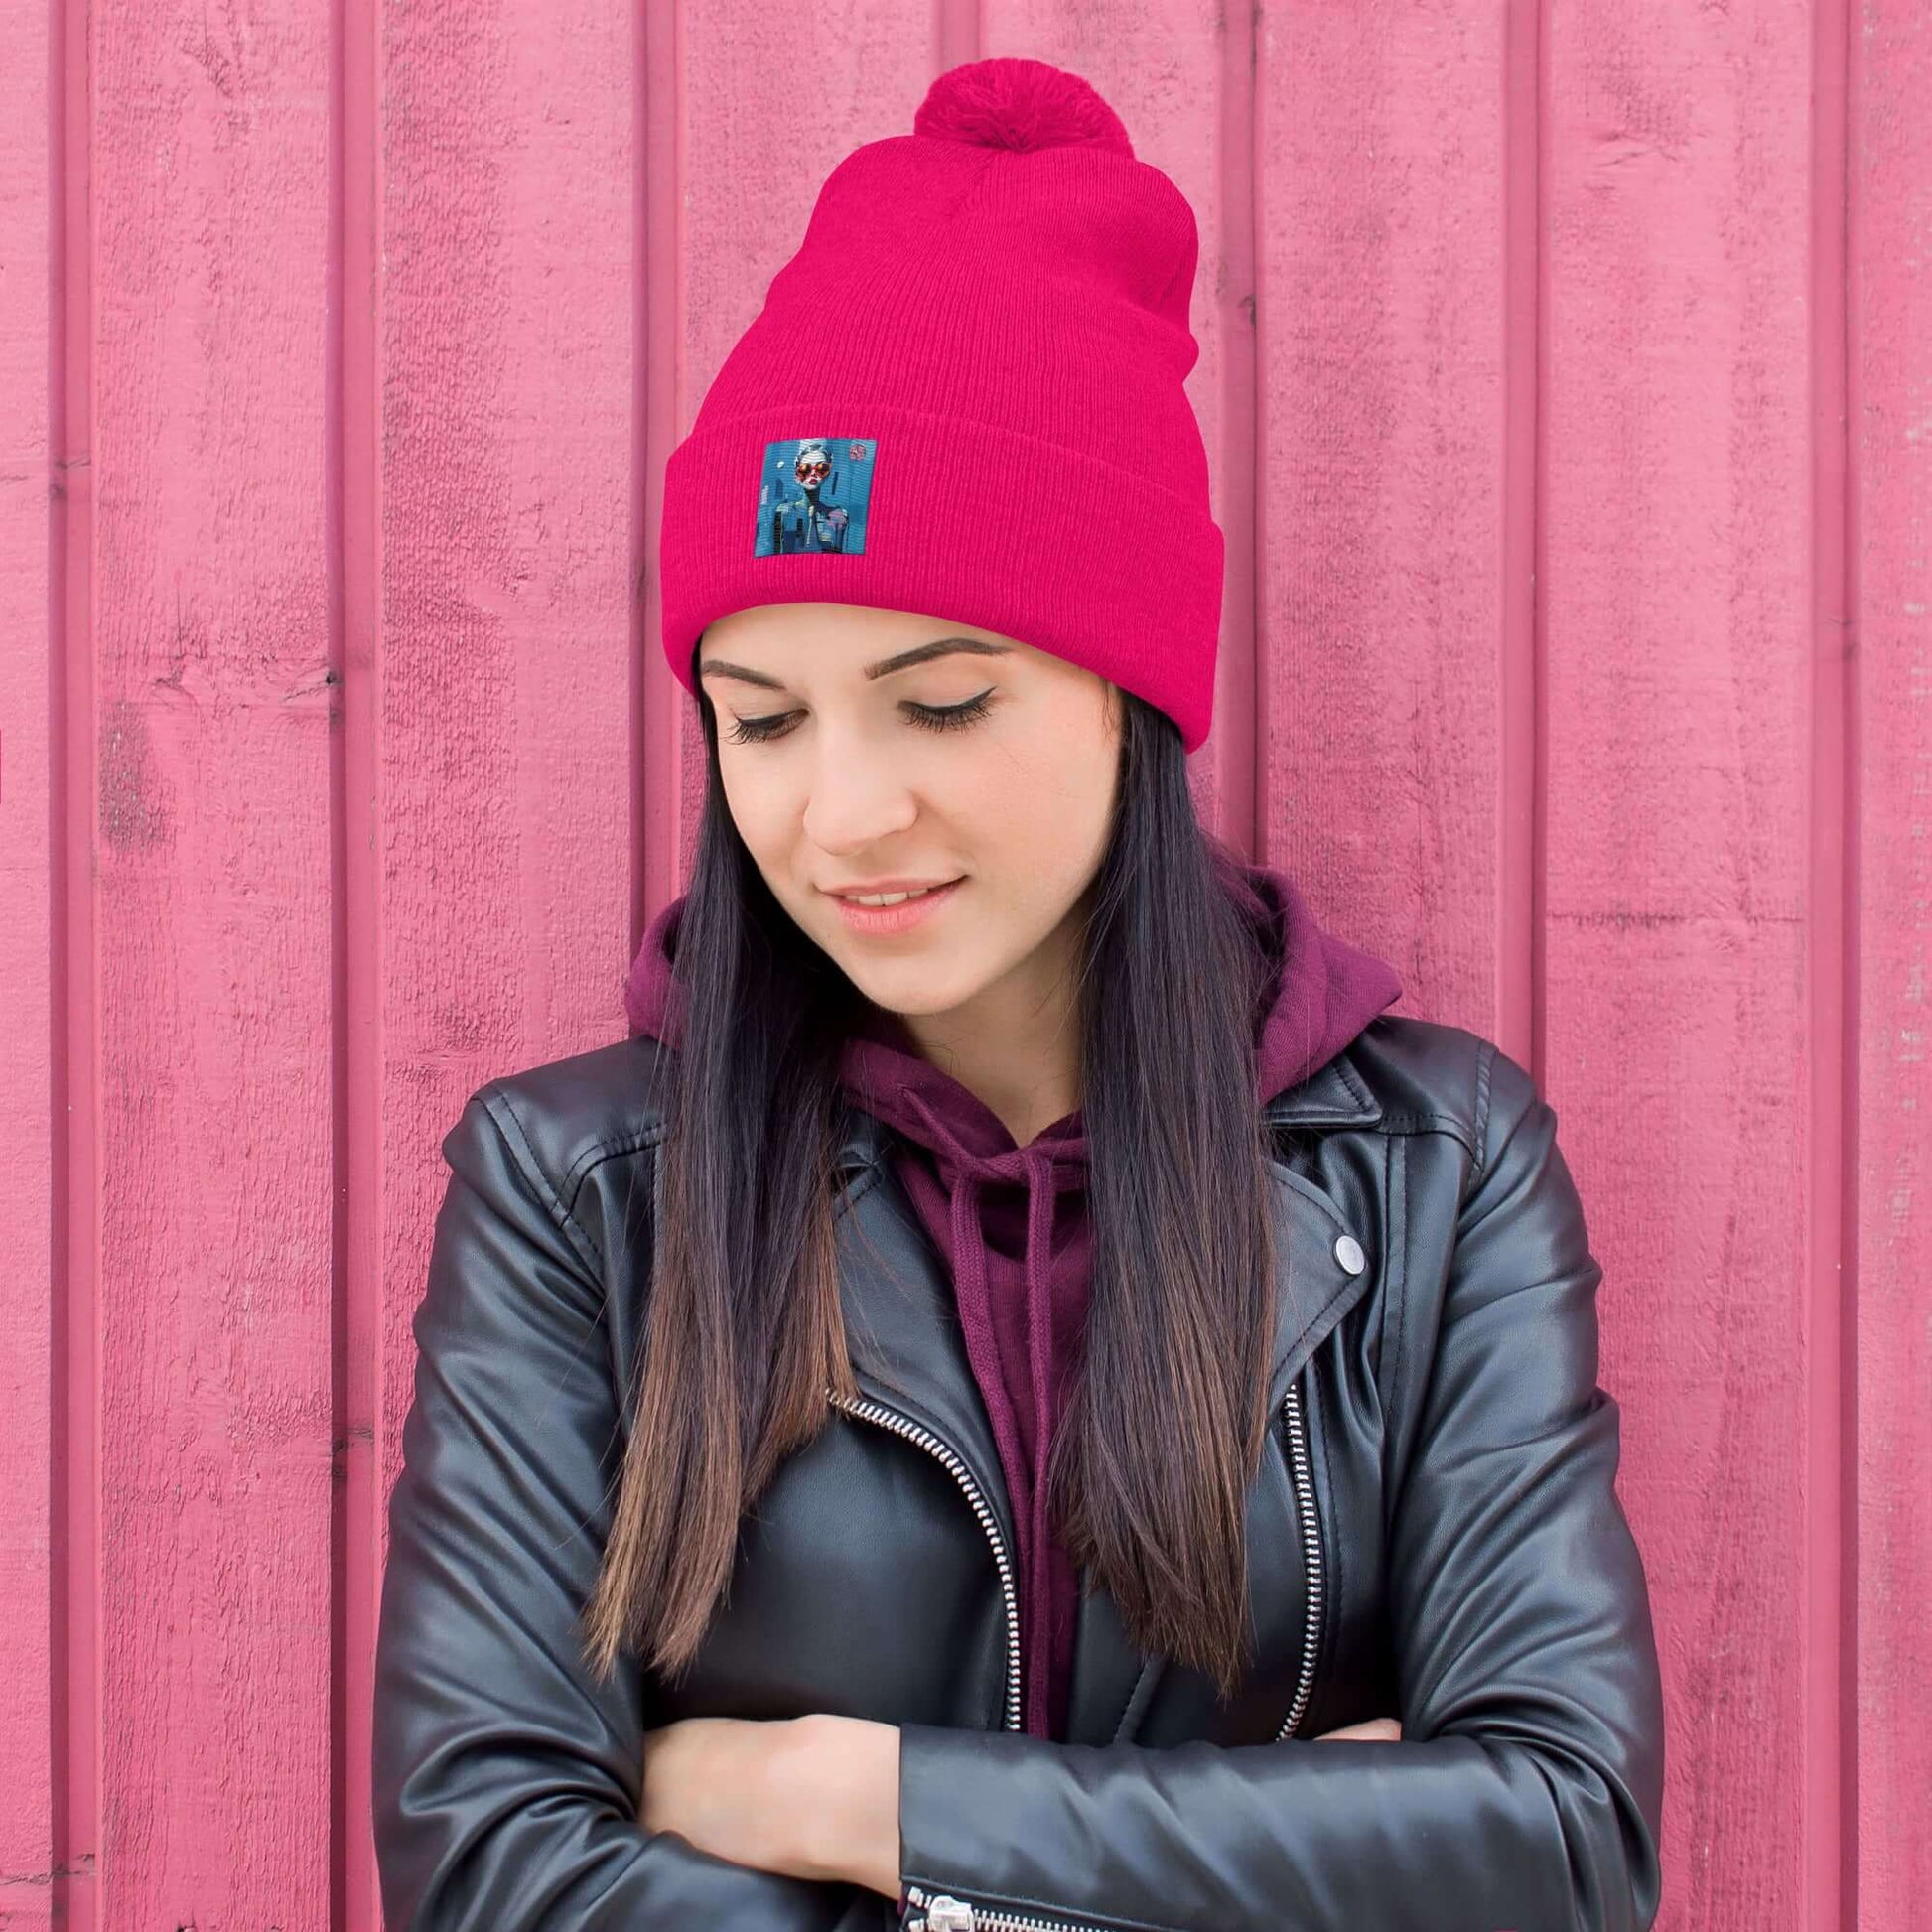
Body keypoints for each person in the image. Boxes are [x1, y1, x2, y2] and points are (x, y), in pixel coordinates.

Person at [371, 55, 1665, 1932]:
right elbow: (493, 1873)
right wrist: (1291, 1839)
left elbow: (1558, 1844)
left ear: (1128, 694)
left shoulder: (1433, 1162)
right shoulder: (580, 1191)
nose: (842, 812)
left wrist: (844, 1791)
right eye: (762, 718)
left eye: (943, 701)